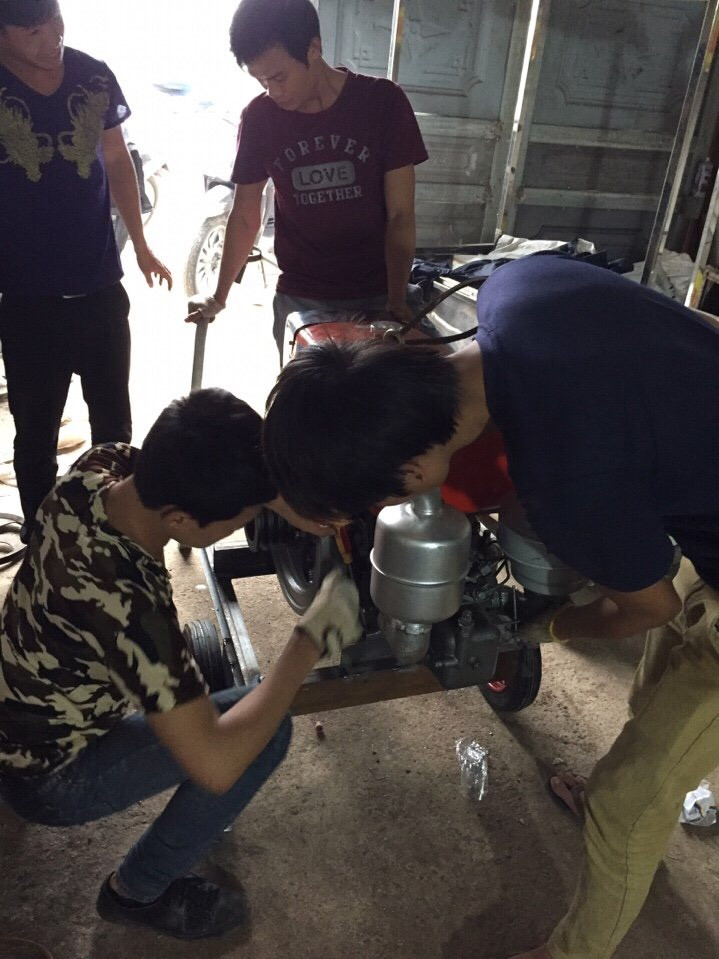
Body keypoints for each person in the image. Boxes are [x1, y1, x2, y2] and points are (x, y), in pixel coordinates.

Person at [262, 252, 719, 959]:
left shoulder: (568, 480)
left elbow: (645, 607)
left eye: (382, 498)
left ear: (411, 471)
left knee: (628, 801)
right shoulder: (518, 287)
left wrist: (547, 626)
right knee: (658, 683)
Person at [0, 387, 362, 940]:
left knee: (210, 698)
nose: (239, 527)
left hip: (20, 700)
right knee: (262, 733)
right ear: (181, 520)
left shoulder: (96, 471)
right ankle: (136, 891)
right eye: (236, 521)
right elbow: (214, 766)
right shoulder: (134, 612)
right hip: (48, 776)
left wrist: (289, 504)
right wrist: (307, 640)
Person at [0, 0, 173, 542]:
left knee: (114, 427)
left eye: (55, 20)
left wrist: (140, 245)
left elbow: (117, 160)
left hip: (99, 287)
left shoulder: (93, 75)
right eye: (32, 30)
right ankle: (42, 538)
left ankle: (113, 532)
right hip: (26, 299)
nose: (50, 37)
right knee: (35, 433)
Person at [186, 0, 428, 362]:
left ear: (313, 48)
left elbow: (400, 215)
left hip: (378, 292)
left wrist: (395, 300)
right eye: (261, 81)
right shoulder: (259, 118)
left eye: (279, 77)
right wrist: (219, 297)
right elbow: (245, 215)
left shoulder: (382, 103)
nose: (273, 92)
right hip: (301, 297)